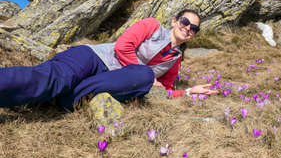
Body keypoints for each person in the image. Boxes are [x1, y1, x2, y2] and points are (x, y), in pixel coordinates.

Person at [0, 9, 218, 126]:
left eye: (194, 28)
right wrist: (147, 77)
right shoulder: (151, 26)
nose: (188, 28)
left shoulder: (175, 59)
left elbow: (165, 90)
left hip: (104, 81)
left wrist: (189, 91)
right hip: (91, 58)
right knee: (55, 79)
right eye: (185, 22)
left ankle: (64, 98)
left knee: (68, 99)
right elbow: (123, 47)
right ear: (174, 21)